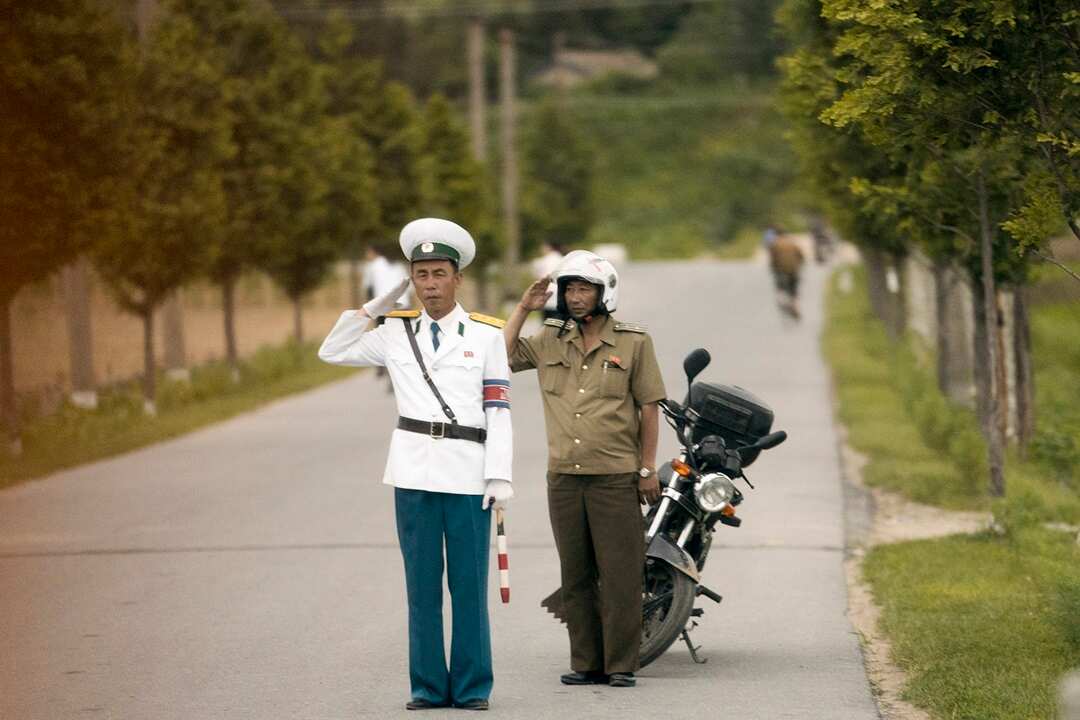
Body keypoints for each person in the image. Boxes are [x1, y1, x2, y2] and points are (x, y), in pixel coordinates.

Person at [318, 218, 514, 712]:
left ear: (458, 277)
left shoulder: (487, 335)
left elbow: (498, 409)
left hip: (469, 472)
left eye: (439, 273)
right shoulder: (395, 331)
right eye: (421, 274)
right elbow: (332, 350)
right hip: (412, 472)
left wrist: (500, 475)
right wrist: (381, 303)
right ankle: (427, 687)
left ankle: (471, 689)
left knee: (468, 589)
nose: (430, 285)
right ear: (412, 280)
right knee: (422, 589)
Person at [503, 250, 666, 689]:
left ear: (603, 293)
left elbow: (649, 407)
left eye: (584, 289)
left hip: (615, 475)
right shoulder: (550, 338)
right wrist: (524, 308)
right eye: (570, 289)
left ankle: (620, 665)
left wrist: (647, 468)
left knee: (620, 574)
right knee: (575, 573)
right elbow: (500, 358)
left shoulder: (634, 342)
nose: (575, 298)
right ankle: (586, 662)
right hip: (564, 476)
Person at [768, 231, 805, 318]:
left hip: (781, 270)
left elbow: (773, 259)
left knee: (780, 284)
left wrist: (773, 268)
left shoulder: (775, 244)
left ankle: (781, 299)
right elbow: (801, 256)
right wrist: (799, 265)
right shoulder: (793, 244)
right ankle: (795, 305)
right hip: (793, 270)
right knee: (794, 289)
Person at [531, 241, 566, 321]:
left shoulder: (541, 261)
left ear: (549, 247)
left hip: (546, 298)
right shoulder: (564, 260)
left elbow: (537, 278)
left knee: (547, 325)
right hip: (561, 298)